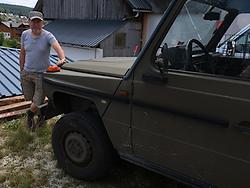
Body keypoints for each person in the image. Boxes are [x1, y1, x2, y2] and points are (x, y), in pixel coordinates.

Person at [19, 11, 66, 130]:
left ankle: (30, 115)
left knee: (37, 100)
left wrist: (62, 58)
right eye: (33, 21)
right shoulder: (24, 34)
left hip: (41, 74)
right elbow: (23, 52)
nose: (35, 24)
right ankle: (42, 114)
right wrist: (21, 70)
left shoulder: (48, 36)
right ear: (29, 22)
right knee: (31, 99)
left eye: (38, 22)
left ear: (42, 23)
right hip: (27, 73)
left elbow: (57, 47)